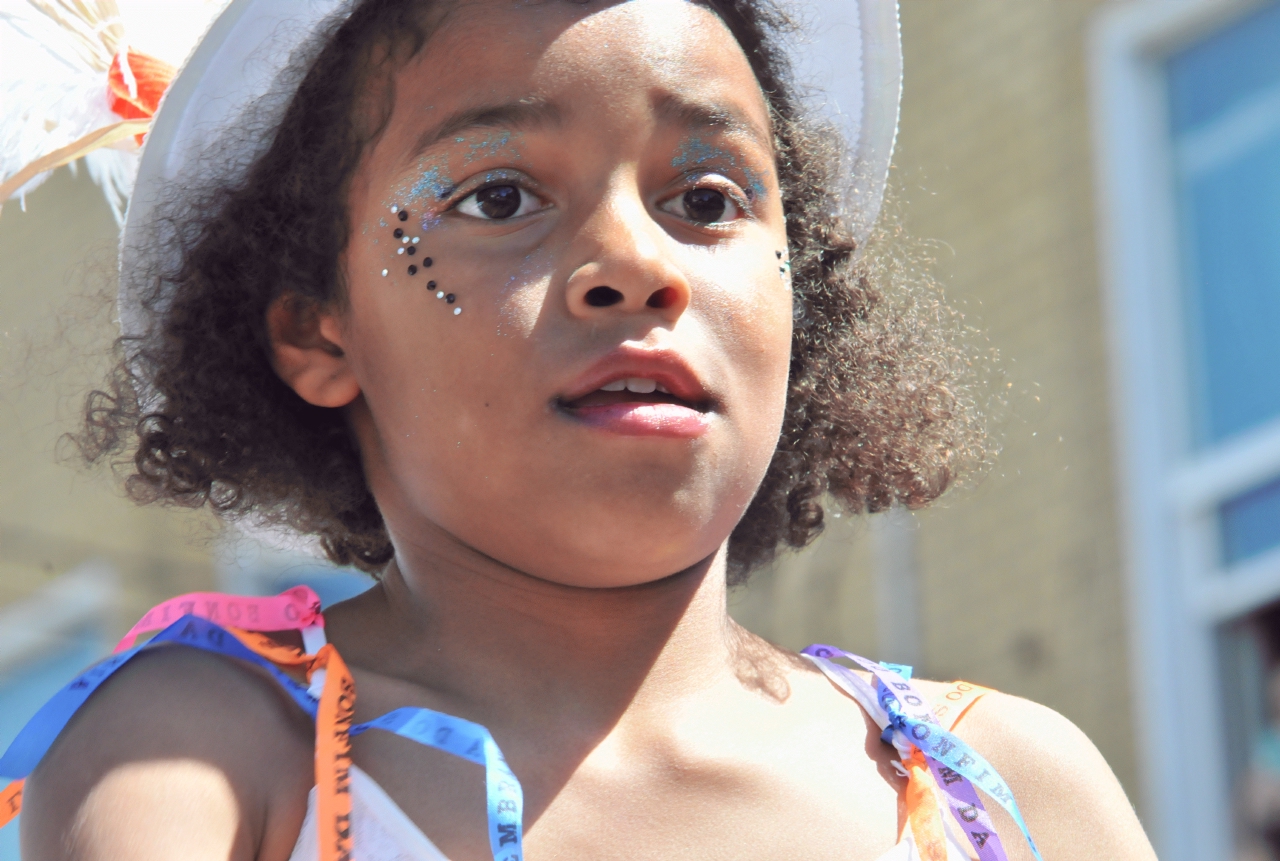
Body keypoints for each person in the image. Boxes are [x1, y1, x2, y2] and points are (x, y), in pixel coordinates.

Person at [0, 0, 1157, 858]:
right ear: (318, 334)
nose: (636, 266)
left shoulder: (1012, 792)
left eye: (707, 200)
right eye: (497, 198)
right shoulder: (206, 754)